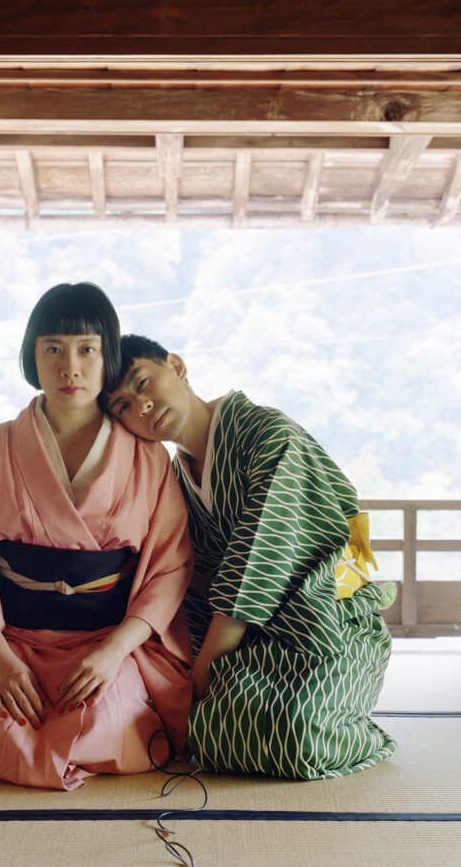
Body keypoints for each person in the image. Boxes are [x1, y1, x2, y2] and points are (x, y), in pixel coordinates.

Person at [0, 287, 193, 791]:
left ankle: (109, 685)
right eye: (53, 349)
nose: (70, 366)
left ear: (106, 355)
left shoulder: (148, 458)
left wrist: (115, 651)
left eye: (86, 349)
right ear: (31, 356)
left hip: (104, 642)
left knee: (109, 726)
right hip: (14, 641)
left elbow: (169, 566)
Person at [105, 335, 397, 781]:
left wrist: (197, 683)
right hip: (245, 639)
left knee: (295, 733)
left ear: (177, 365)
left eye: (142, 383)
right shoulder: (176, 480)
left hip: (328, 620)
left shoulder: (268, 436)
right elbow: (184, 575)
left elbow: (254, 568)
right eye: (123, 406)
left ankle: (359, 731)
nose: (141, 406)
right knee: (150, 711)